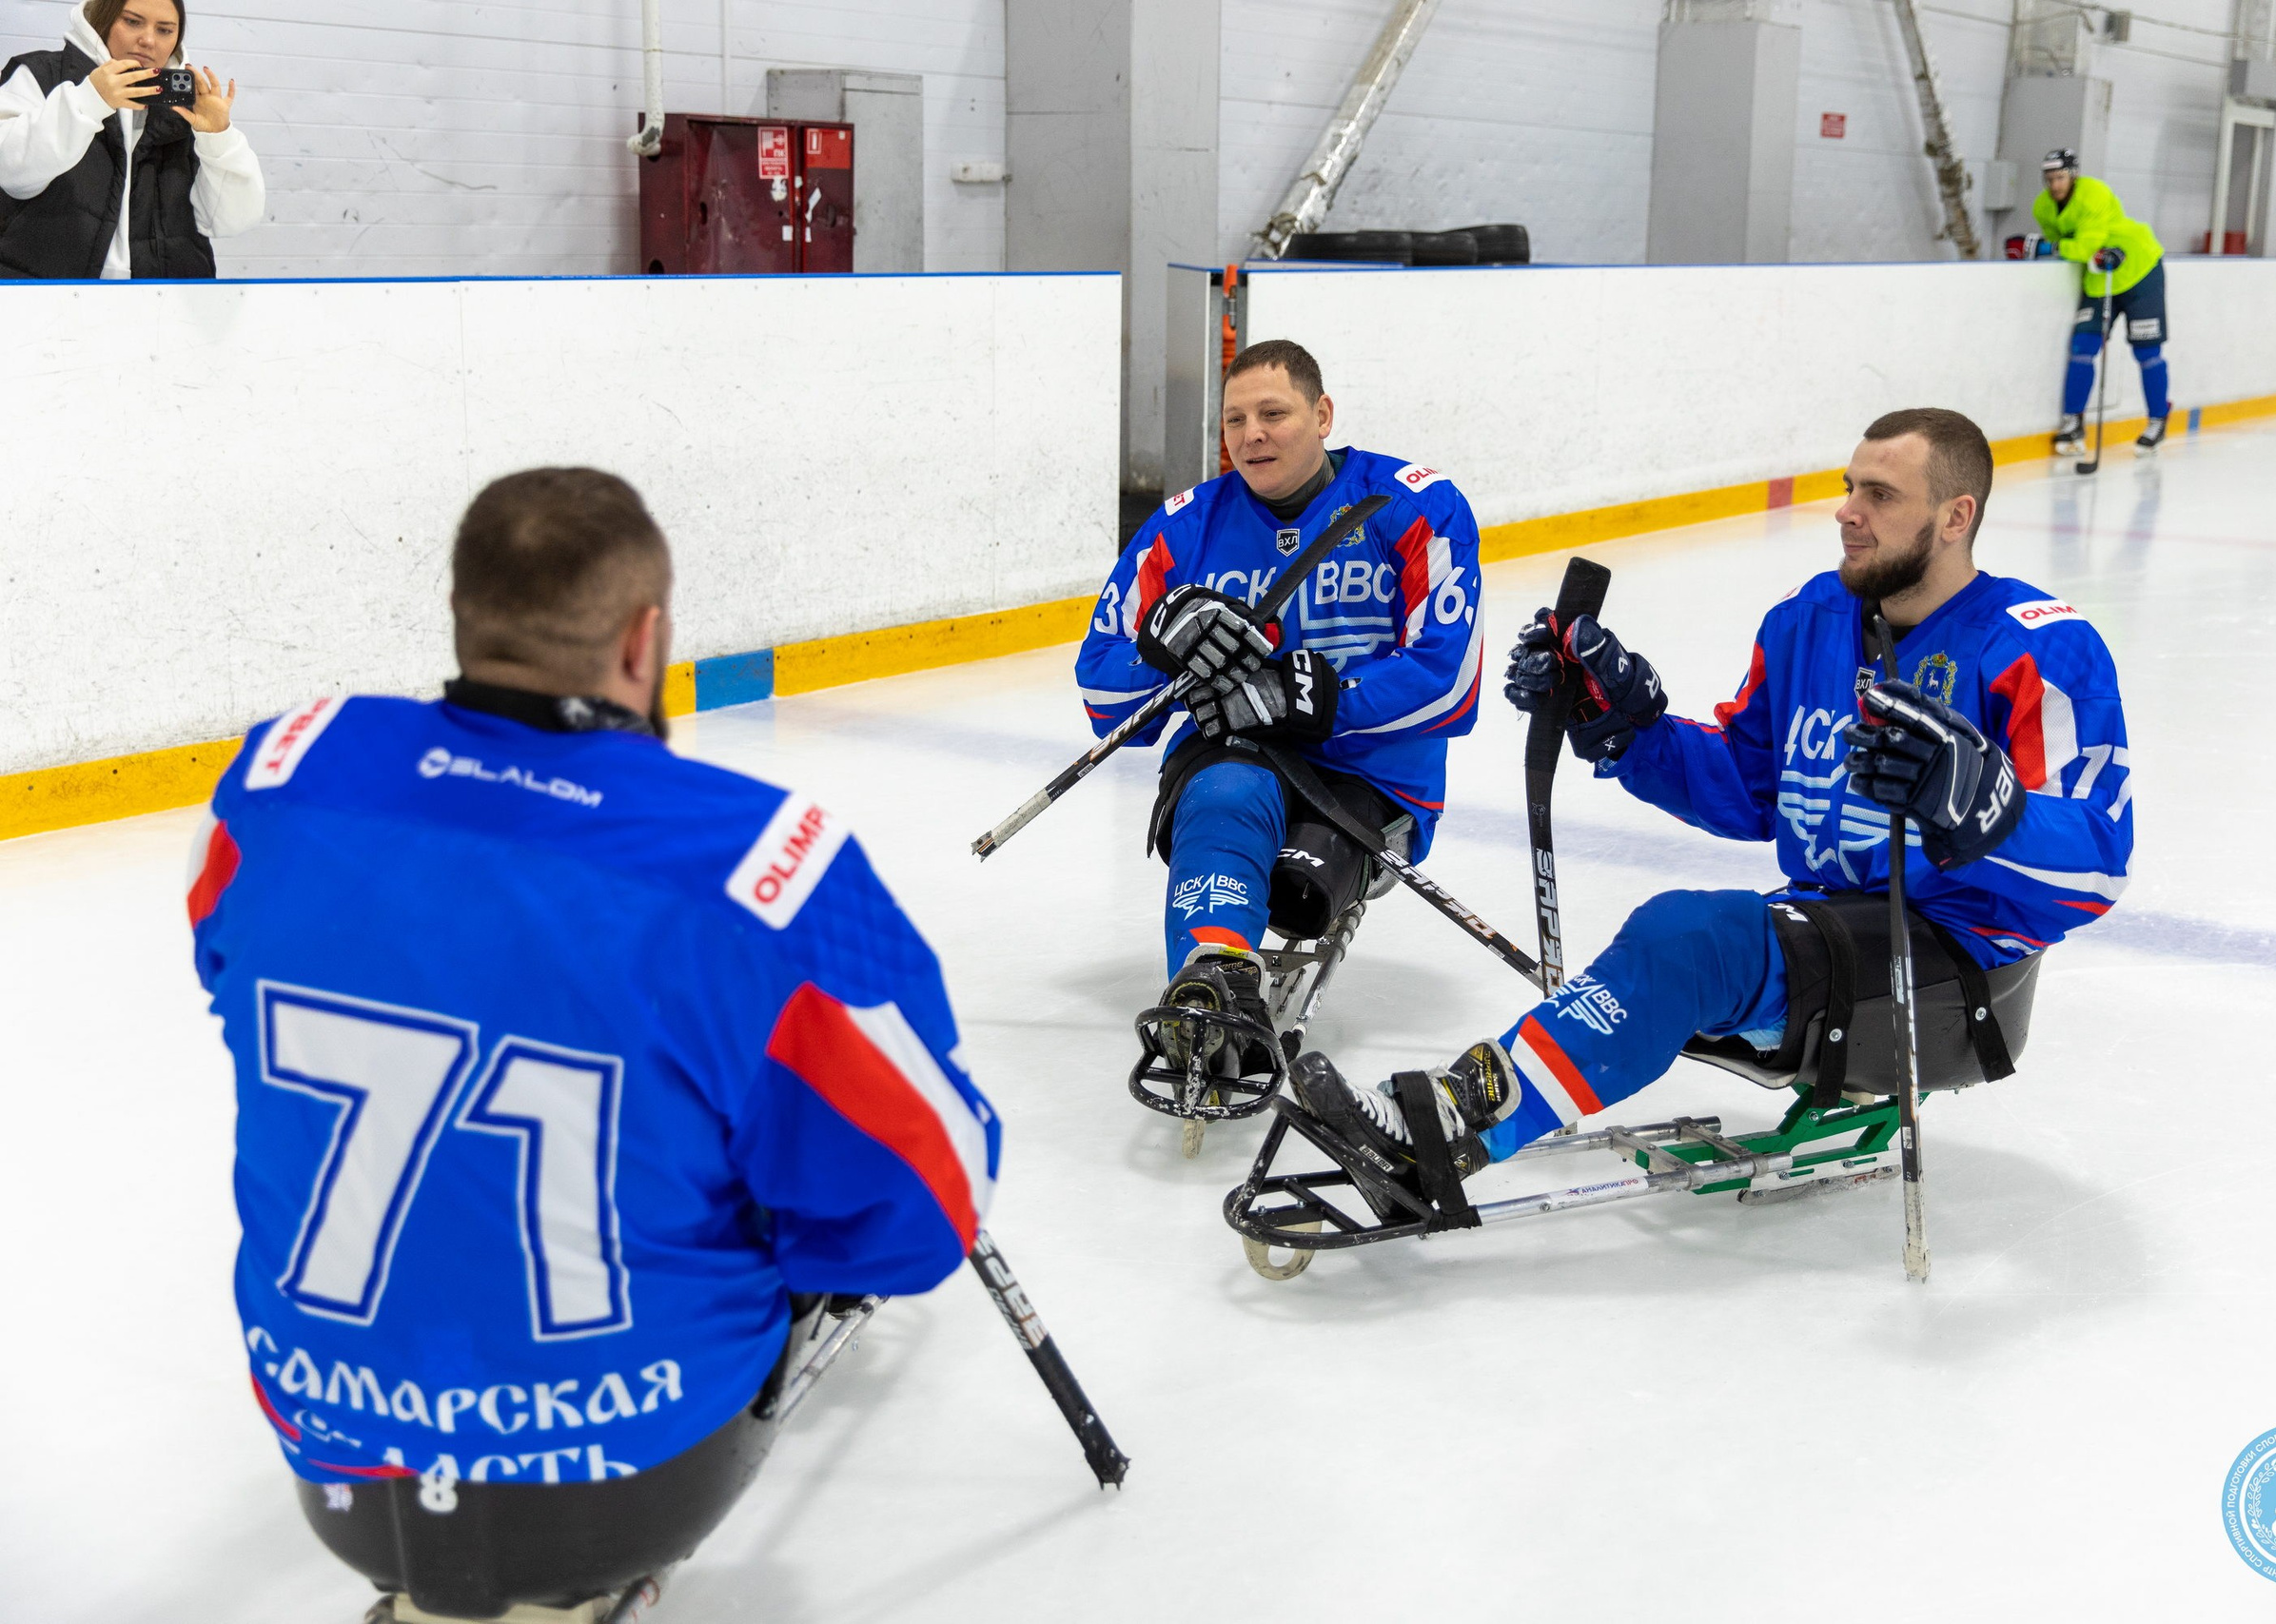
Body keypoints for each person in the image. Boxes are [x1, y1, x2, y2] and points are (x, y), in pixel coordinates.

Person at [187, 469, 998, 1622]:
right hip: (626, 1477)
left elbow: (218, 962)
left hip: (335, 1451)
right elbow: (928, 1203)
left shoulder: (280, 778)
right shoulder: (764, 868)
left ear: (466, 618)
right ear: (646, 638)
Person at [1290, 408, 2134, 1192]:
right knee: (1679, 944)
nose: (1847, 510)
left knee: (1688, 938)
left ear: (1955, 517)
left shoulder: (2040, 646)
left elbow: (2101, 859)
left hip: (1956, 972)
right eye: (1849, 487)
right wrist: (1625, 725)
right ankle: (1460, 1105)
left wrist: (1988, 808)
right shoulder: (1810, 619)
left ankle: (1439, 1128)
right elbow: (1749, 785)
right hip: (1835, 926)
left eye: (1880, 495)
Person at [1073, 337, 1485, 1090]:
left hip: (1368, 778)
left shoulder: (1416, 504)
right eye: (1234, 420)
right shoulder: (1183, 526)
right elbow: (1101, 691)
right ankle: (1215, 982)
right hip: (1236, 755)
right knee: (1224, 801)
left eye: (1273, 413)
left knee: (1301, 894)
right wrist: (1162, 649)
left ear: (1322, 414)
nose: (1250, 434)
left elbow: (1450, 681)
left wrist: (1324, 698)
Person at [0, 0, 263, 279]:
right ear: (103, 19)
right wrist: (89, 102)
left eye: (164, 30)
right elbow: (10, 171)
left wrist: (218, 139)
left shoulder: (186, 110)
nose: (148, 40)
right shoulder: (41, 75)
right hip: (47, 302)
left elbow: (233, 222)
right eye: (132, 21)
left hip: (162, 309)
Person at [2033, 148, 2170, 458]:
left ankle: (2158, 420)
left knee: (2147, 351)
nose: (2055, 185)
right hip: (2101, 279)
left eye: (2060, 177)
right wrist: (2049, 248)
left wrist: (2043, 247)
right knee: (2083, 348)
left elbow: (2083, 247)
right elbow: (2070, 251)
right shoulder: (2043, 207)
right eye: (2050, 179)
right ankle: (2072, 422)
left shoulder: (2093, 192)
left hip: (2139, 270)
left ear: (2073, 175)